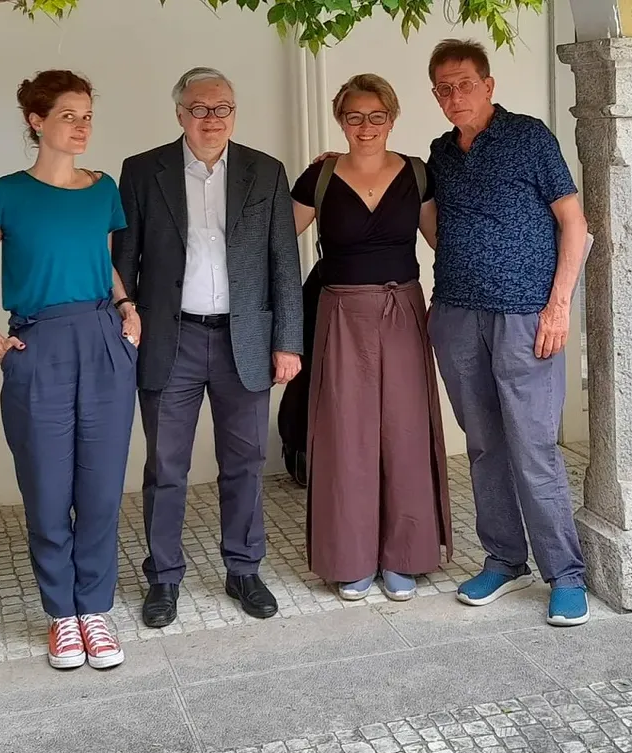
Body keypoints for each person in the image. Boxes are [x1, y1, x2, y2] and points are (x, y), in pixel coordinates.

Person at [112, 66, 304, 628]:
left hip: (243, 340)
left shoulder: (264, 172)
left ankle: (244, 568)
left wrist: (287, 341)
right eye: (200, 109)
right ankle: (164, 577)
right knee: (166, 465)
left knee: (244, 462)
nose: (212, 119)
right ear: (180, 114)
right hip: (170, 339)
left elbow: (283, 265)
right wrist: (123, 322)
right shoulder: (143, 171)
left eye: (222, 108)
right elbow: (124, 260)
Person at [0, 70, 138, 671]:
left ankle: (95, 609)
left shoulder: (103, 188)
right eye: (69, 115)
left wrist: (126, 307)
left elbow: (106, 263)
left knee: (101, 483)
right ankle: (61, 614)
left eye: (87, 115)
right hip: (37, 342)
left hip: (103, 337)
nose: (83, 126)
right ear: (37, 121)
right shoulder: (3, 192)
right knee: (45, 483)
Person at [423, 39, 591, 626]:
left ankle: (566, 574)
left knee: (534, 445)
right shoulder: (441, 154)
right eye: (443, 87)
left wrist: (559, 306)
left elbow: (574, 224)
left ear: (489, 86)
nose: (454, 96)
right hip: (456, 315)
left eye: (464, 83)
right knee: (485, 444)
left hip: (526, 317)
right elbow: (432, 222)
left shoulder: (529, 136)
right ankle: (504, 557)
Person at [291, 74, 451, 601]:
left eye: (376, 116)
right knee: (347, 439)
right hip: (341, 313)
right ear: (341, 119)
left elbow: (442, 241)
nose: (365, 126)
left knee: (403, 433)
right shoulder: (318, 176)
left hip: (403, 309)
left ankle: (404, 555)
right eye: (355, 116)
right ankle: (352, 557)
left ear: (392, 118)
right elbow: (270, 240)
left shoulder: (418, 174)